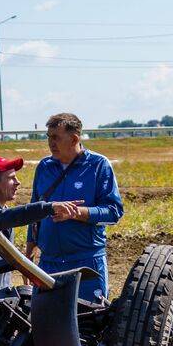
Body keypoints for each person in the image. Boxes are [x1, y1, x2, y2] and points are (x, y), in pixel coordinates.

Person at [27, 113, 123, 302]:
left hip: (86, 264)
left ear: (74, 139)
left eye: (56, 137)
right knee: (47, 317)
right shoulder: (44, 167)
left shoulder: (98, 165)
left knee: (90, 316)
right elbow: (34, 210)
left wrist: (76, 213)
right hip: (48, 263)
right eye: (48, 137)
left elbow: (113, 212)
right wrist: (29, 252)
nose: (50, 143)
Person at [0, 156, 76, 292]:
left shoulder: (0, 208)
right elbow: (5, 217)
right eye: (11, 178)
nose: (18, 182)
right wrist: (48, 207)